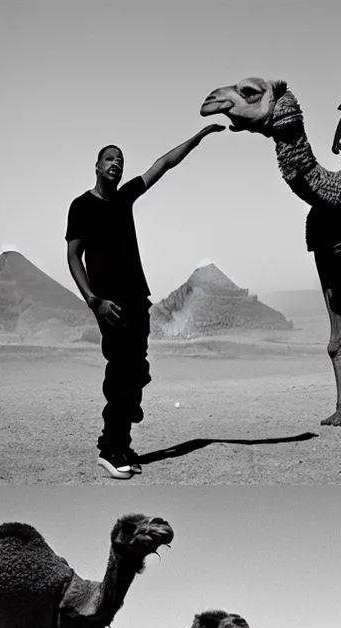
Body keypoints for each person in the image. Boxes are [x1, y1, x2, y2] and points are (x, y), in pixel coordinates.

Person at [65, 126, 222, 477]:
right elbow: (74, 256)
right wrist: (94, 301)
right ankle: (110, 450)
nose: (116, 164)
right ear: (96, 165)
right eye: (109, 158)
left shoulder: (124, 198)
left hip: (138, 299)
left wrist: (199, 137)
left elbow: (163, 164)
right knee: (121, 375)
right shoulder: (82, 206)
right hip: (111, 305)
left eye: (120, 160)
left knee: (136, 373)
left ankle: (121, 443)